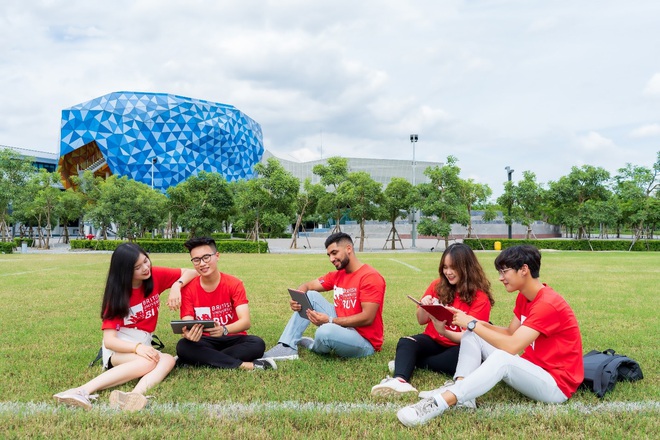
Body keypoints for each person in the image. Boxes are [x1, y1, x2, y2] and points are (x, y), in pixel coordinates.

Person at [397, 245, 584, 427]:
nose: (501, 278)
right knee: (474, 334)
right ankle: (463, 392)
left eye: (504, 272)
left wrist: (471, 323)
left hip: (556, 386)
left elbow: (512, 346)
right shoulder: (525, 297)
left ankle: (438, 403)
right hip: (534, 369)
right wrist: (471, 322)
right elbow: (510, 332)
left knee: (501, 357)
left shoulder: (548, 303)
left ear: (524, 270)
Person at [54, 243, 197, 411]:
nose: (145, 268)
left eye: (146, 260)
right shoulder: (117, 296)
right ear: (125, 271)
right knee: (149, 362)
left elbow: (192, 272)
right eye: (137, 267)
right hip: (120, 347)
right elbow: (110, 341)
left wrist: (176, 285)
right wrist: (137, 348)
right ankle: (81, 391)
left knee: (166, 360)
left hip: (143, 340)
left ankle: (133, 396)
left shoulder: (154, 275)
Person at [371, 243, 494, 397]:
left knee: (453, 360)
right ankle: (399, 381)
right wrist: (424, 305)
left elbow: (470, 337)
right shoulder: (438, 285)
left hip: (459, 346)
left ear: (466, 267)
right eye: (445, 267)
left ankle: (411, 362)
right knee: (406, 342)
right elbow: (421, 320)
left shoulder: (480, 298)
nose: (448, 272)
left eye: (453, 267)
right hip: (433, 340)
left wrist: (444, 331)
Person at [262, 232, 386, 360]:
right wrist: (298, 298)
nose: (331, 259)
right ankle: (287, 346)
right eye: (329, 255)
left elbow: (368, 318)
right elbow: (308, 286)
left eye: (334, 253)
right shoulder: (339, 274)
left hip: (364, 340)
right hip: (343, 324)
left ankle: (313, 346)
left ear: (348, 249)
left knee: (324, 332)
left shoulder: (370, 277)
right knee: (310, 296)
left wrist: (330, 320)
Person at [175, 237, 276, 370]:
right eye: (196, 260)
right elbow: (187, 323)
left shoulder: (234, 283)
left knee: (257, 343)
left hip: (231, 338)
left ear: (217, 256)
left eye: (206, 257)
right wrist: (188, 334)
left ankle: (199, 360)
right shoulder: (189, 289)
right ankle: (245, 366)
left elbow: (245, 322)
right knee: (183, 345)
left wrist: (224, 329)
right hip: (205, 341)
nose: (202, 263)